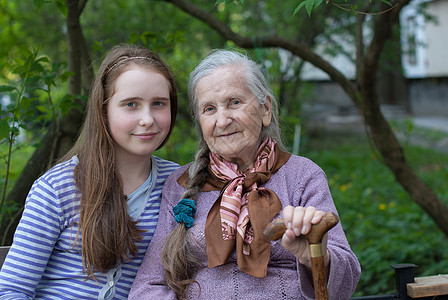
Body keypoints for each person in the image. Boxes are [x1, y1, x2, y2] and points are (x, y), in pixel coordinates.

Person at [129, 49, 361, 299]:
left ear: (265, 109)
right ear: (200, 122)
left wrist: (313, 255)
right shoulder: (181, 185)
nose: (222, 120)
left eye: (234, 102)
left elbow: (344, 285)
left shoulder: (302, 176)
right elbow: (148, 286)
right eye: (209, 109)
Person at [0, 44, 179, 299]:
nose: (147, 119)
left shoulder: (179, 184)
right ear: (103, 110)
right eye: (131, 104)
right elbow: (11, 290)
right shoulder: (57, 188)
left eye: (159, 103)